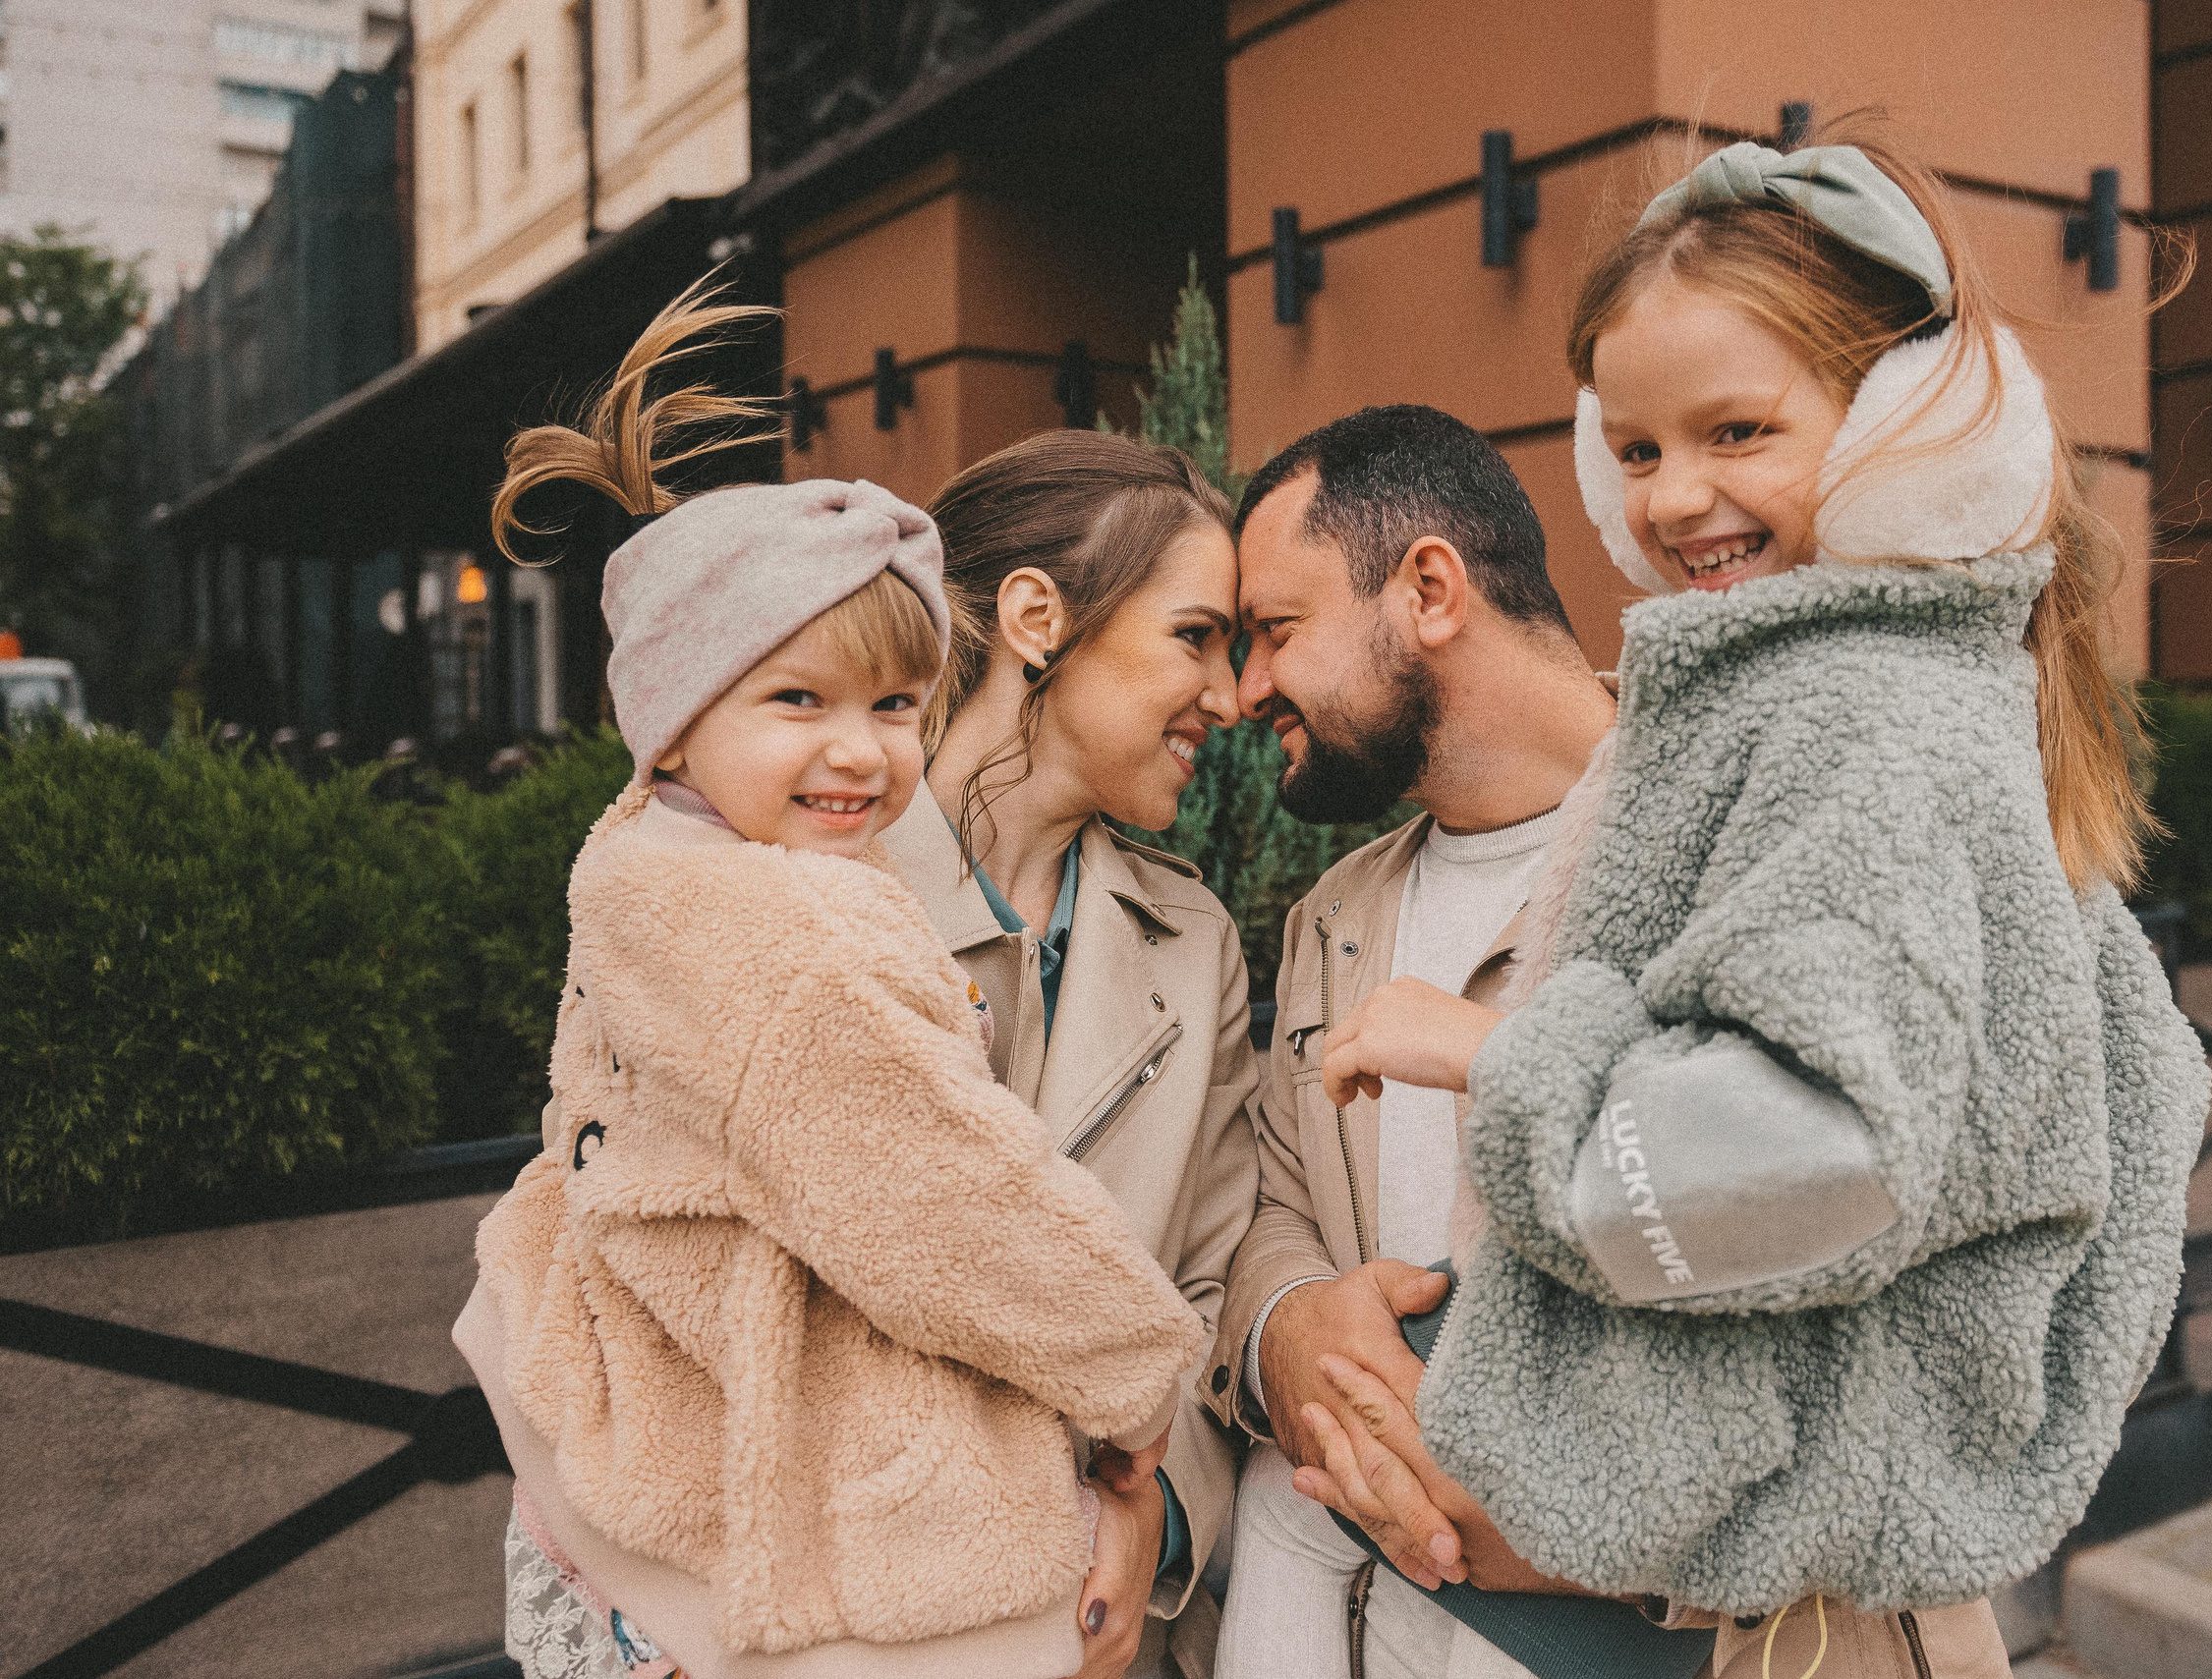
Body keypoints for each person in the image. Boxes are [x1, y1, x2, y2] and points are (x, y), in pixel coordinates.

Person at [1294, 134, 2211, 1677]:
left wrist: (1498, 1052)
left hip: (1810, 1631)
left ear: (1910, 429)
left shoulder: (1858, 721)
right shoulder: (1876, 688)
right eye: (1638, 450)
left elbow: (1820, 1153)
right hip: (1812, 1600)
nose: (1677, 497)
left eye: (1737, 430)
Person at [451, 291, 1207, 1679]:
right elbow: (952, 1204)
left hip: (655, 1498)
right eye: (796, 701)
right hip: (798, 1549)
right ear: (679, 715)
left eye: (893, 705)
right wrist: (1140, 1371)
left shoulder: (642, 863)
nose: (858, 752)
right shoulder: (792, 934)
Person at [1201, 402, 1621, 1679]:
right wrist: (1287, 1329)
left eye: (1276, 631)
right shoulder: (1334, 914)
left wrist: (1580, 1522)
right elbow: (1270, 1200)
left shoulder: (1724, 850)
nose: (1243, 691)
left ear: (1429, 589)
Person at [878, 429, 1265, 1679]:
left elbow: (1211, 1287)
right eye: (1195, 637)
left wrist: (1151, 1521)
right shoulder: (807, 897)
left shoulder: (1196, 941)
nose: (1231, 693)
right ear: (1038, 617)